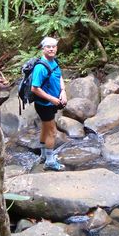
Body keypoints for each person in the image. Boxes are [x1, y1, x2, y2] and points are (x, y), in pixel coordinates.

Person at [31, 36, 67, 171]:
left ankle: (43, 155)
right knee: (52, 132)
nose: (51, 49)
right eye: (48, 47)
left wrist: (63, 91)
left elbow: (59, 76)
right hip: (44, 105)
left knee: (46, 128)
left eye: (54, 46)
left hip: (51, 103)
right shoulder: (41, 67)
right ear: (43, 49)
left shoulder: (54, 62)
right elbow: (34, 88)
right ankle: (50, 161)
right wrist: (51, 99)